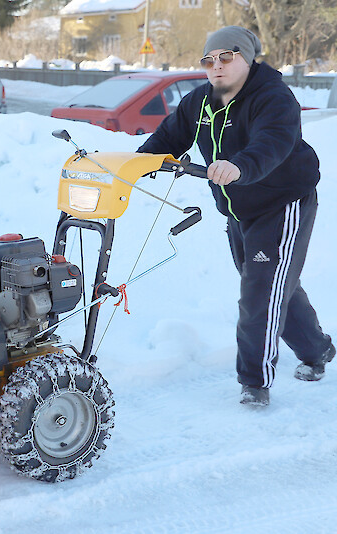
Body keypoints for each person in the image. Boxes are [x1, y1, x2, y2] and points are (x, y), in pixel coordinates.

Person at [137, 26, 334, 407]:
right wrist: (135, 163)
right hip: (239, 209)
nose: (216, 66)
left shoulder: (273, 97)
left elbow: (272, 142)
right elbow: (165, 140)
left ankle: (254, 383)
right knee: (273, 283)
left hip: (282, 202)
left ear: (247, 58)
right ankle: (317, 350)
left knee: (261, 291)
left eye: (226, 57)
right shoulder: (199, 103)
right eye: (208, 60)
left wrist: (239, 166)